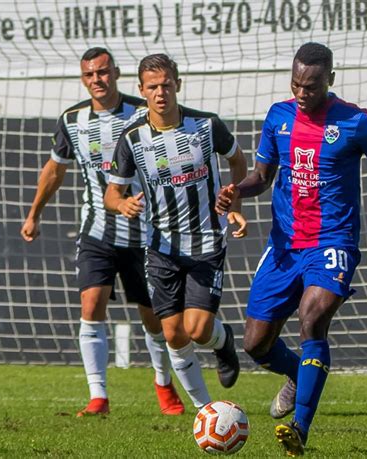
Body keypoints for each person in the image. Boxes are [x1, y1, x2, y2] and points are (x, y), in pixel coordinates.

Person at [215, 42, 367, 456]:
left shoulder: (358, 123)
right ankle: (297, 373)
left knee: (312, 318)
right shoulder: (278, 116)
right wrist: (237, 190)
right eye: (295, 84)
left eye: (310, 86)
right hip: (284, 246)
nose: (301, 93)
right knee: (256, 344)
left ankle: (300, 428)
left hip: (333, 242)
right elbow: (261, 175)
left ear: (330, 78)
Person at [21, 47, 184, 417]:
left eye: (104, 73)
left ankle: (163, 382)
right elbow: (55, 169)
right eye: (90, 75)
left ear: (116, 74)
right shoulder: (72, 119)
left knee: (154, 317)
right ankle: (98, 396)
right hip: (96, 230)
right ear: (84, 79)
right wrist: (34, 214)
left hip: (145, 234)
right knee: (91, 306)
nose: (98, 80)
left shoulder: (142, 114)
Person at [104, 53, 248, 409]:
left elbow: (238, 160)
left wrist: (235, 203)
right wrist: (122, 205)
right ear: (141, 90)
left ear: (178, 85)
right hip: (160, 247)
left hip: (206, 241)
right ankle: (205, 413)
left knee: (198, 330)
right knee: (172, 333)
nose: (160, 93)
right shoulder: (133, 138)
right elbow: (112, 193)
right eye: (152, 87)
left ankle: (222, 340)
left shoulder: (207, 125)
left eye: (166, 85)